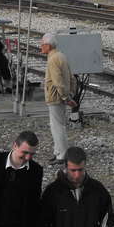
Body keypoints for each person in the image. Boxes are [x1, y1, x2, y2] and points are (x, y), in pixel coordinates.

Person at [39, 146, 114, 227]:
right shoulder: (52, 192)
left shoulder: (98, 190)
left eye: (80, 170)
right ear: (65, 167)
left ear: (85, 166)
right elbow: (43, 221)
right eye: (73, 170)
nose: (77, 175)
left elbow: (108, 217)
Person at [41, 33, 77, 165]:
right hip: (60, 97)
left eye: (42, 44)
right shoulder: (61, 56)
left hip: (55, 97)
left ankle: (61, 155)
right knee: (57, 125)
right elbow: (72, 78)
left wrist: (65, 97)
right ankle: (57, 152)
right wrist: (71, 94)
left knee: (57, 127)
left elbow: (57, 81)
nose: (41, 47)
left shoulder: (52, 59)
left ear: (48, 45)